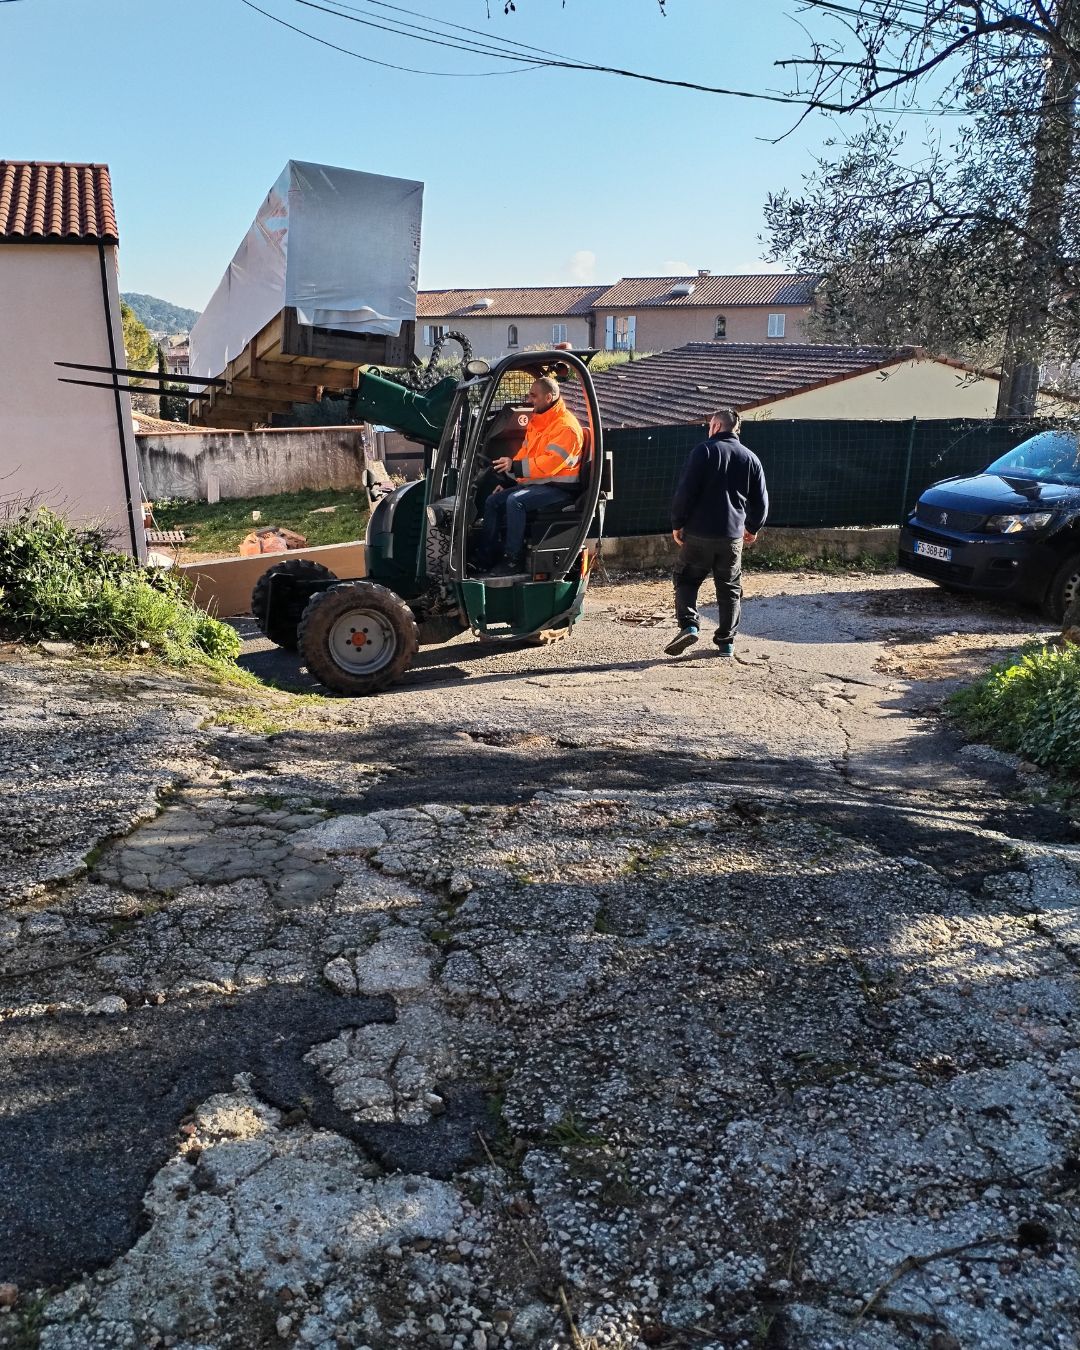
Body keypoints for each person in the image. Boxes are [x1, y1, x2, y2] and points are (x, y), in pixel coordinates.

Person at [665, 408, 768, 657]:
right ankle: (726, 643)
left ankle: (689, 625)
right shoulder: (750, 458)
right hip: (732, 536)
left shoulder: (704, 451)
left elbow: (685, 492)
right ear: (736, 429)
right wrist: (752, 527)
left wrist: (677, 523)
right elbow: (761, 501)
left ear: (715, 426)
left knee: (687, 579)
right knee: (729, 588)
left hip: (699, 533)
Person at [478, 375, 585, 575]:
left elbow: (549, 465)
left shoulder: (566, 427)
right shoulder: (538, 422)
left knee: (515, 502)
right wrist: (510, 481)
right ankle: (486, 558)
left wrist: (515, 467)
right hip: (540, 484)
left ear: (549, 397)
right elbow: (526, 455)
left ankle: (512, 560)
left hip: (560, 488)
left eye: (533, 396)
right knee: (493, 501)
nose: (529, 400)